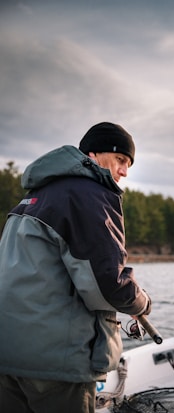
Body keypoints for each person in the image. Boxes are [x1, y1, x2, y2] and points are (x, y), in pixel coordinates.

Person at [0, 122, 151, 413]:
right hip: (54, 363)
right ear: (93, 155)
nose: (125, 172)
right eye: (121, 160)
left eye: (129, 164)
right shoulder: (89, 194)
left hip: (8, 357)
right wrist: (141, 302)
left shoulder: (33, 198)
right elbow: (109, 283)